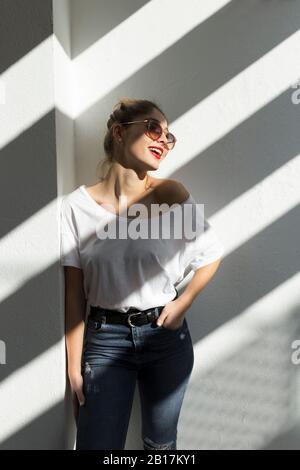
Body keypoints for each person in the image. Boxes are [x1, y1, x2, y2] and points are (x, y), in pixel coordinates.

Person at [60, 98, 224, 450]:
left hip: (165, 338)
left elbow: (210, 254)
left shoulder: (171, 194)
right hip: (104, 341)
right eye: (154, 128)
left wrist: (185, 302)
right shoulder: (76, 207)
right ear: (119, 132)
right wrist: (74, 366)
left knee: (160, 446)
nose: (163, 140)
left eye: (169, 135)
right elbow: (74, 292)